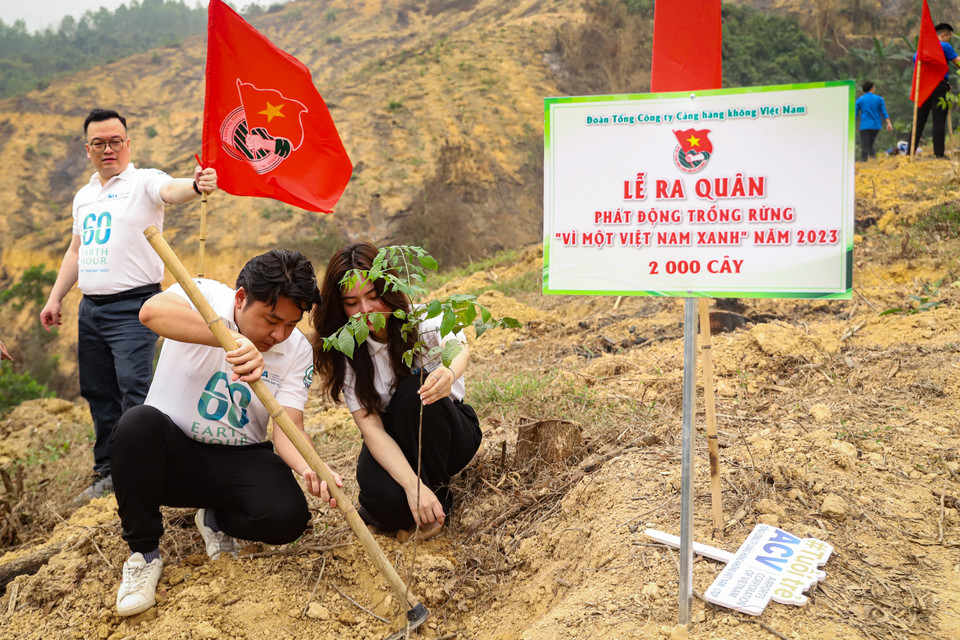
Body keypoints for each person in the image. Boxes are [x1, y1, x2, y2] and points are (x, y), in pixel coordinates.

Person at [111, 249, 341, 617]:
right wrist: (228, 339)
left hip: (238, 459)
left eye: (291, 324)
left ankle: (215, 519)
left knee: (287, 518)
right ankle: (144, 555)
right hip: (172, 456)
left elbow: (288, 428)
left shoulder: (296, 350)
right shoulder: (202, 294)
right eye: (270, 320)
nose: (278, 334)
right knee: (136, 424)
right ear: (240, 298)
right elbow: (150, 312)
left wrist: (312, 468)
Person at [39, 108, 218, 501]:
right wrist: (56, 297)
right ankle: (106, 469)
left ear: (128, 143)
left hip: (135, 307)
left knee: (134, 389)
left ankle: (142, 469)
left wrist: (198, 184)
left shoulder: (143, 181)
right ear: (87, 149)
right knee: (98, 391)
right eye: (99, 143)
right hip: (91, 309)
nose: (108, 149)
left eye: (115, 141)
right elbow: (75, 250)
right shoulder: (84, 196)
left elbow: (172, 189)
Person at [311, 243, 481, 541]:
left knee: (412, 392)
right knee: (379, 496)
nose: (366, 310)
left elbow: (459, 348)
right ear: (339, 306)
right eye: (352, 303)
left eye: (374, 297)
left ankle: (438, 501)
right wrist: (412, 487)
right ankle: (417, 498)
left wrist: (448, 371)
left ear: (388, 289)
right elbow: (372, 428)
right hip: (395, 437)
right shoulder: (347, 347)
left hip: (446, 429)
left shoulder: (422, 319)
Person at [912, 23, 960, 158]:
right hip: (939, 87)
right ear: (944, 34)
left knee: (918, 121)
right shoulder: (944, 46)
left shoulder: (922, 47)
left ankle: (910, 151)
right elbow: (958, 62)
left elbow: (915, 61)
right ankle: (939, 154)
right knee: (938, 120)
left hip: (923, 87)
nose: (949, 40)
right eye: (949, 37)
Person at [855, 81, 893, 162]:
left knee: (865, 145)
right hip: (876, 126)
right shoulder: (879, 99)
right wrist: (889, 123)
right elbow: (884, 113)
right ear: (871, 88)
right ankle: (874, 160)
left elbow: (855, 114)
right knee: (869, 144)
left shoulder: (860, 100)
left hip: (865, 126)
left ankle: (864, 162)